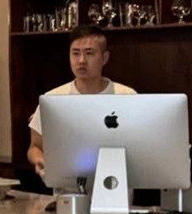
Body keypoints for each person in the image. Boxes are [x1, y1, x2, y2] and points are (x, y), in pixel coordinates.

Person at [27, 25, 136, 178]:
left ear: (104, 58)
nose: (81, 60)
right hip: (66, 185)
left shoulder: (127, 96)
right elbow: (35, 147)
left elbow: (140, 146)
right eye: (75, 53)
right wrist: (39, 160)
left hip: (116, 181)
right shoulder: (52, 98)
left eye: (89, 53)